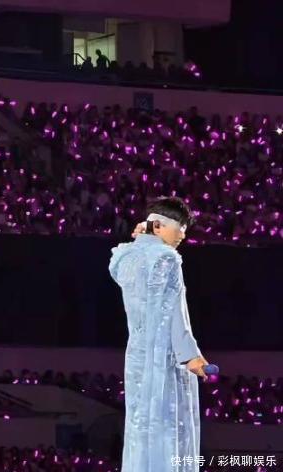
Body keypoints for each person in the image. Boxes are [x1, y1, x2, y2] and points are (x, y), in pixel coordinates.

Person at [108, 196, 209, 472]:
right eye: (180, 228)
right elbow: (174, 312)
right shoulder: (167, 259)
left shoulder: (125, 258)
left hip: (137, 356)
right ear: (161, 226)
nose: (183, 235)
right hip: (164, 354)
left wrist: (144, 235)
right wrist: (190, 355)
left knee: (140, 425)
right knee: (167, 425)